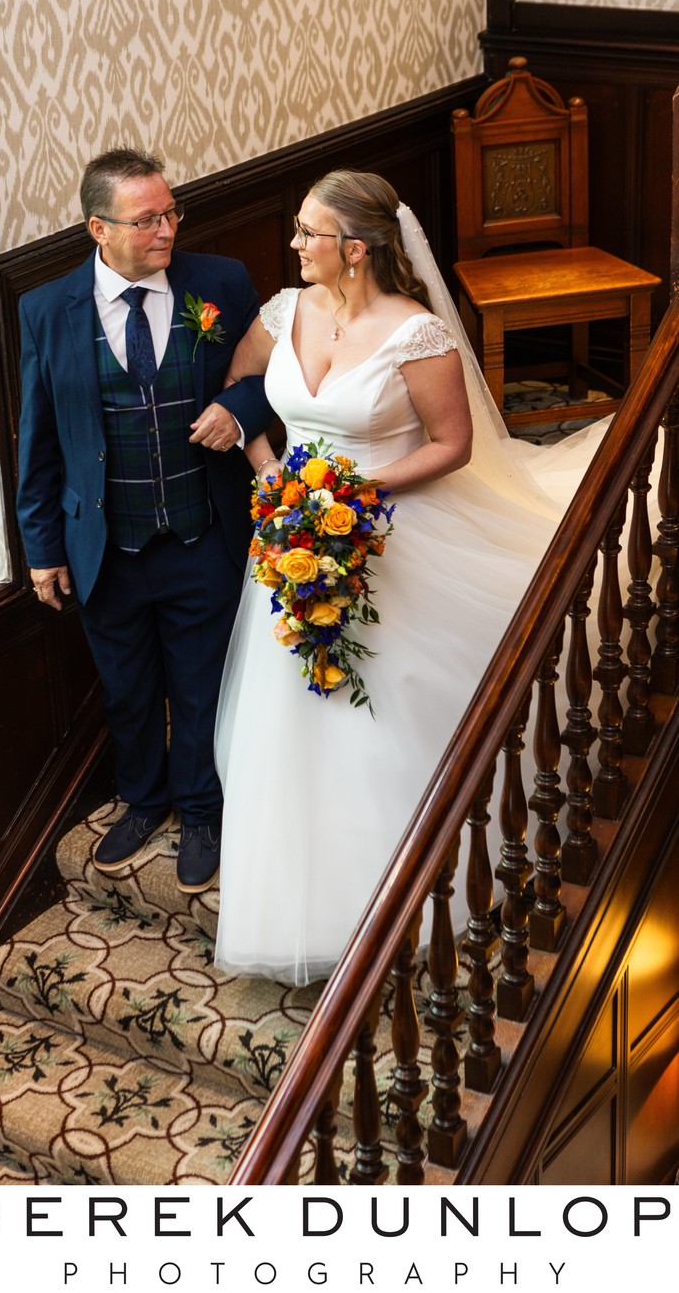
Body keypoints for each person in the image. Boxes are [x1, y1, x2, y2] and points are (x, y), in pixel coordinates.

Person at [212, 169, 610, 986]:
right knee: (294, 709)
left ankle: (413, 888)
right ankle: (305, 902)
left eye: (308, 232)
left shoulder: (416, 334)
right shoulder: (282, 313)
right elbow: (240, 390)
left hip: (391, 529)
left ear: (355, 249)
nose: (293, 244)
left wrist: (352, 492)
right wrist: (270, 475)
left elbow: (451, 445)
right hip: (293, 532)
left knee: (385, 709)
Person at [16, 146, 274, 894]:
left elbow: (270, 377)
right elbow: (39, 438)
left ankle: (201, 811)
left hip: (203, 531)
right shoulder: (46, 310)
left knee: (199, 683)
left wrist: (237, 409)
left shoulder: (219, 282)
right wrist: (42, 548)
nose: (166, 230)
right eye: (147, 219)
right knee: (126, 686)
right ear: (98, 228)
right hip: (104, 543)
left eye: (171, 212)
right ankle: (143, 799)